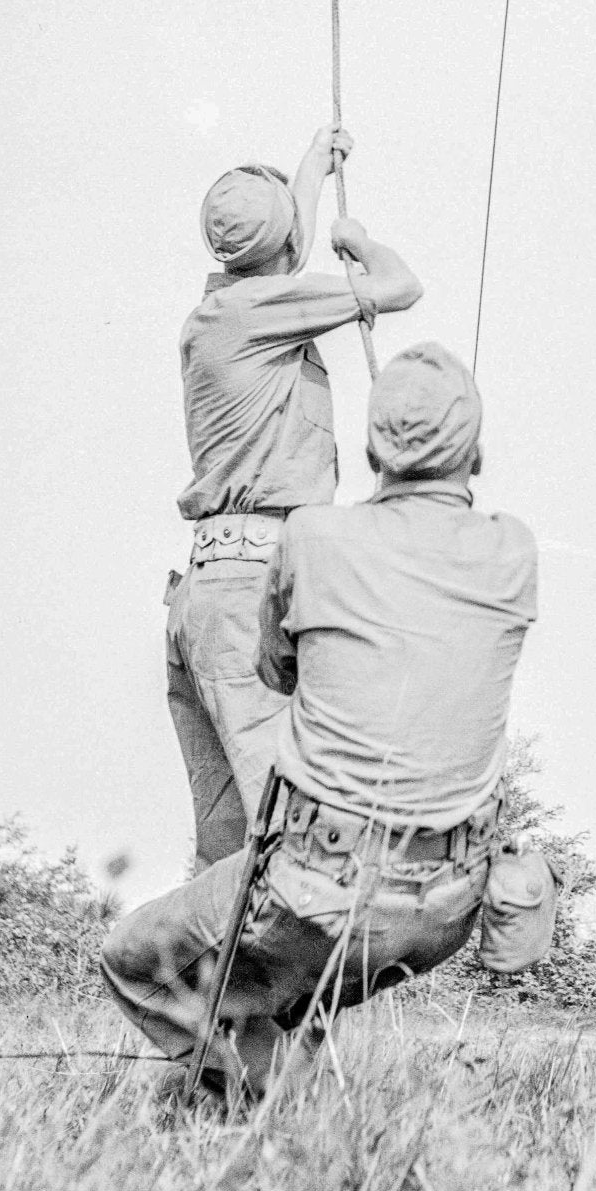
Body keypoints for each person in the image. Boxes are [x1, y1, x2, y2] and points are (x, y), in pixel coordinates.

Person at [103, 341, 539, 1099]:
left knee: (131, 959)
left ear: (369, 452)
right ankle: (279, 1098)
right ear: (477, 453)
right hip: (450, 907)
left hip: (316, 895)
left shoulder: (310, 536)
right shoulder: (514, 550)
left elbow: (275, 672)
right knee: (287, 983)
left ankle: (267, 1103)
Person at [167, 127, 423, 869]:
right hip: (254, 599)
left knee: (231, 860)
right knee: (295, 840)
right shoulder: (261, 310)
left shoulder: (223, 310)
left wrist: (313, 164)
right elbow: (401, 286)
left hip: (211, 595)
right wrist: (362, 244)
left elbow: (284, 253)